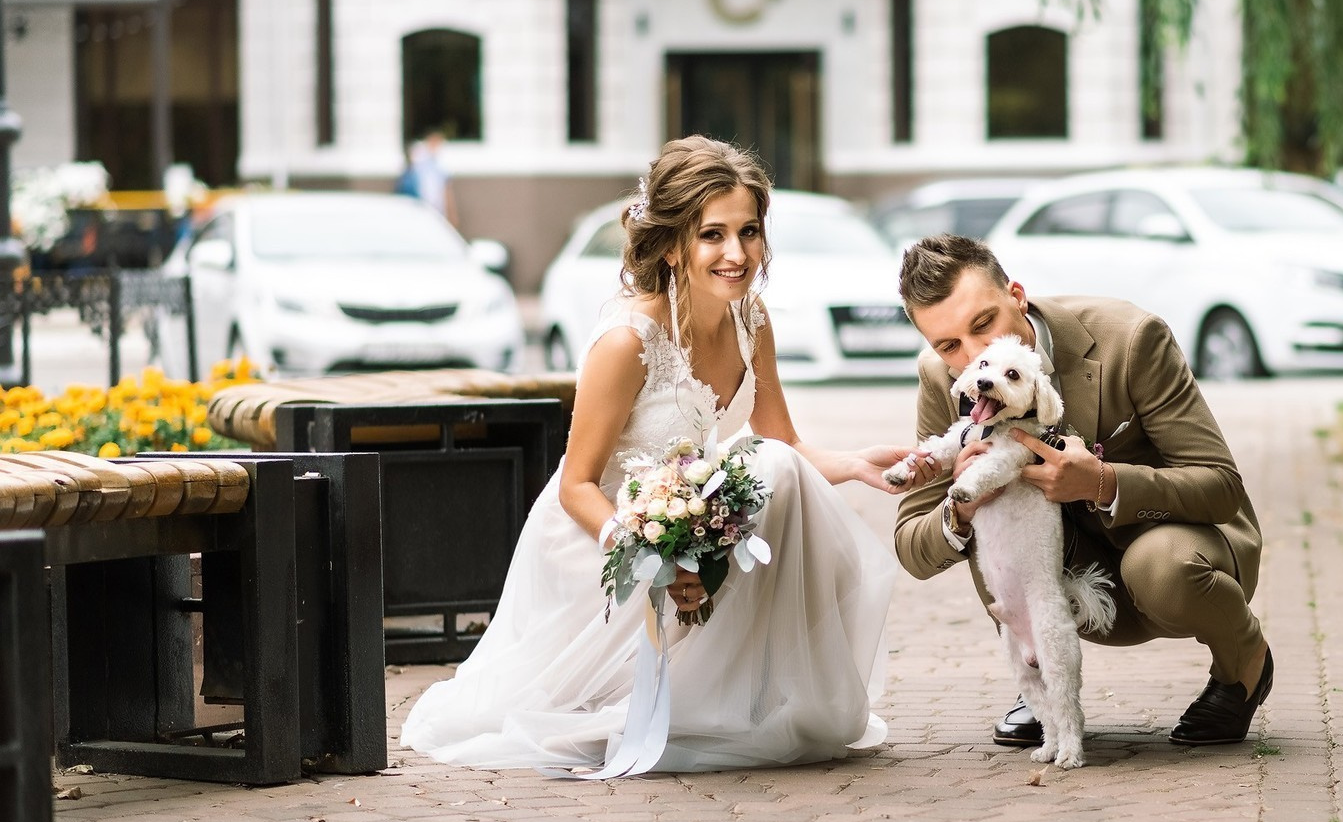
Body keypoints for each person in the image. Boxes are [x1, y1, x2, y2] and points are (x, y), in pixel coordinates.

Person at [402, 137, 914, 774]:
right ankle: (679, 688)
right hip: (600, 539)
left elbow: (782, 443)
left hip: (688, 520)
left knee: (770, 470)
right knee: (759, 474)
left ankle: (736, 691)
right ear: (673, 245)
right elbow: (577, 485)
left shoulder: (752, 320)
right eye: (713, 235)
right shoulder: (626, 341)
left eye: (749, 231)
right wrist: (650, 557)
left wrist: (854, 463)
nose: (736, 254)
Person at [891, 236, 1273, 748]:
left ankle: (1242, 662)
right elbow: (912, 544)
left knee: (1160, 567)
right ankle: (1041, 685)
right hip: (1056, 574)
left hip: (1172, 551)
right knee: (989, 519)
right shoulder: (944, 378)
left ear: (1017, 295)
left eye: (983, 325)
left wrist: (1101, 481)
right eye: (949, 345)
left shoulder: (1132, 338)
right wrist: (961, 510)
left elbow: (1219, 485)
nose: (974, 358)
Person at [396, 128, 459, 229]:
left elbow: (446, 190)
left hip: (437, 211)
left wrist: (451, 215)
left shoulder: (439, 166)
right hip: (419, 209)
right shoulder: (418, 164)